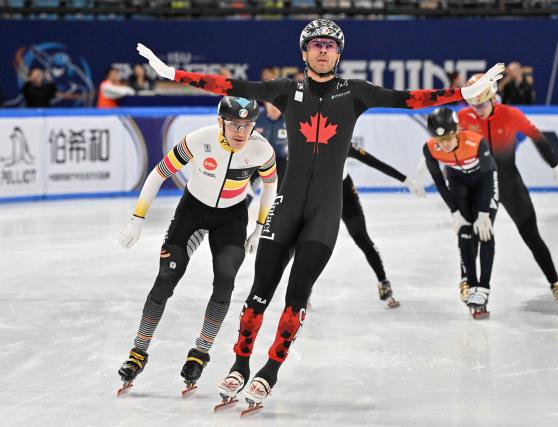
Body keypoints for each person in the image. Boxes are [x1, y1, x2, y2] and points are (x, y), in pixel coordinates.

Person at [137, 18, 503, 411]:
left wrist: (462, 93)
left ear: (339, 53)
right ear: (304, 51)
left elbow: (408, 99)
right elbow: (231, 87)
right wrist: (172, 74)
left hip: (325, 213)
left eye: (330, 45)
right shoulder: (286, 90)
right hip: (286, 205)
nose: (323, 50)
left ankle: (268, 372)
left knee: (296, 298)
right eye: (316, 44)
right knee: (259, 293)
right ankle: (240, 364)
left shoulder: (356, 93)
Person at [116, 97, 278, 395]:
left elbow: (270, 184)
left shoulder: (261, 149)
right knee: (165, 280)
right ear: (220, 123)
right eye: (233, 125)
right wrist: (137, 219)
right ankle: (138, 352)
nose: (241, 132)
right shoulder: (198, 140)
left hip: (231, 219)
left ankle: (199, 354)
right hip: (192, 212)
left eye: (247, 126)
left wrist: (258, 227)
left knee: (225, 283)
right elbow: (157, 173)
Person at [458, 74, 558, 311]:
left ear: (490, 97)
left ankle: (555, 282)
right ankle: (471, 285)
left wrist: (556, 165)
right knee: (477, 235)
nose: (476, 110)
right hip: (482, 186)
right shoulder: (463, 117)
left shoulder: (511, 115)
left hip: (510, 184)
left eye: (479, 104)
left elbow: (537, 137)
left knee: (531, 235)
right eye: (471, 105)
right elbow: (448, 142)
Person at [422, 107, 498, 319]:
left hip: (484, 184)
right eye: (440, 140)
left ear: (456, 131)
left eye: (448, 137)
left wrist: (484, 213)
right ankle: (471, 286)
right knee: (465, 232)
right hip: (460, 185)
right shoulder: (430, 149)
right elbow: (439, 182)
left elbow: (488, 177)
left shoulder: (476, 141)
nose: (444, 144)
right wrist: (454, 211)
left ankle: (484, 288)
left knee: (485, 232)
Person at [342, 143, 425, 308]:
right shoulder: (308, 140)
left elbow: (375, 163)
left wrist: (407, 181)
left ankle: (383, 281)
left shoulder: (345, 141)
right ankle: (304, 289)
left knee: (362, 238)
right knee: (312, 240)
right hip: (319, 193)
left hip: (344, 192)